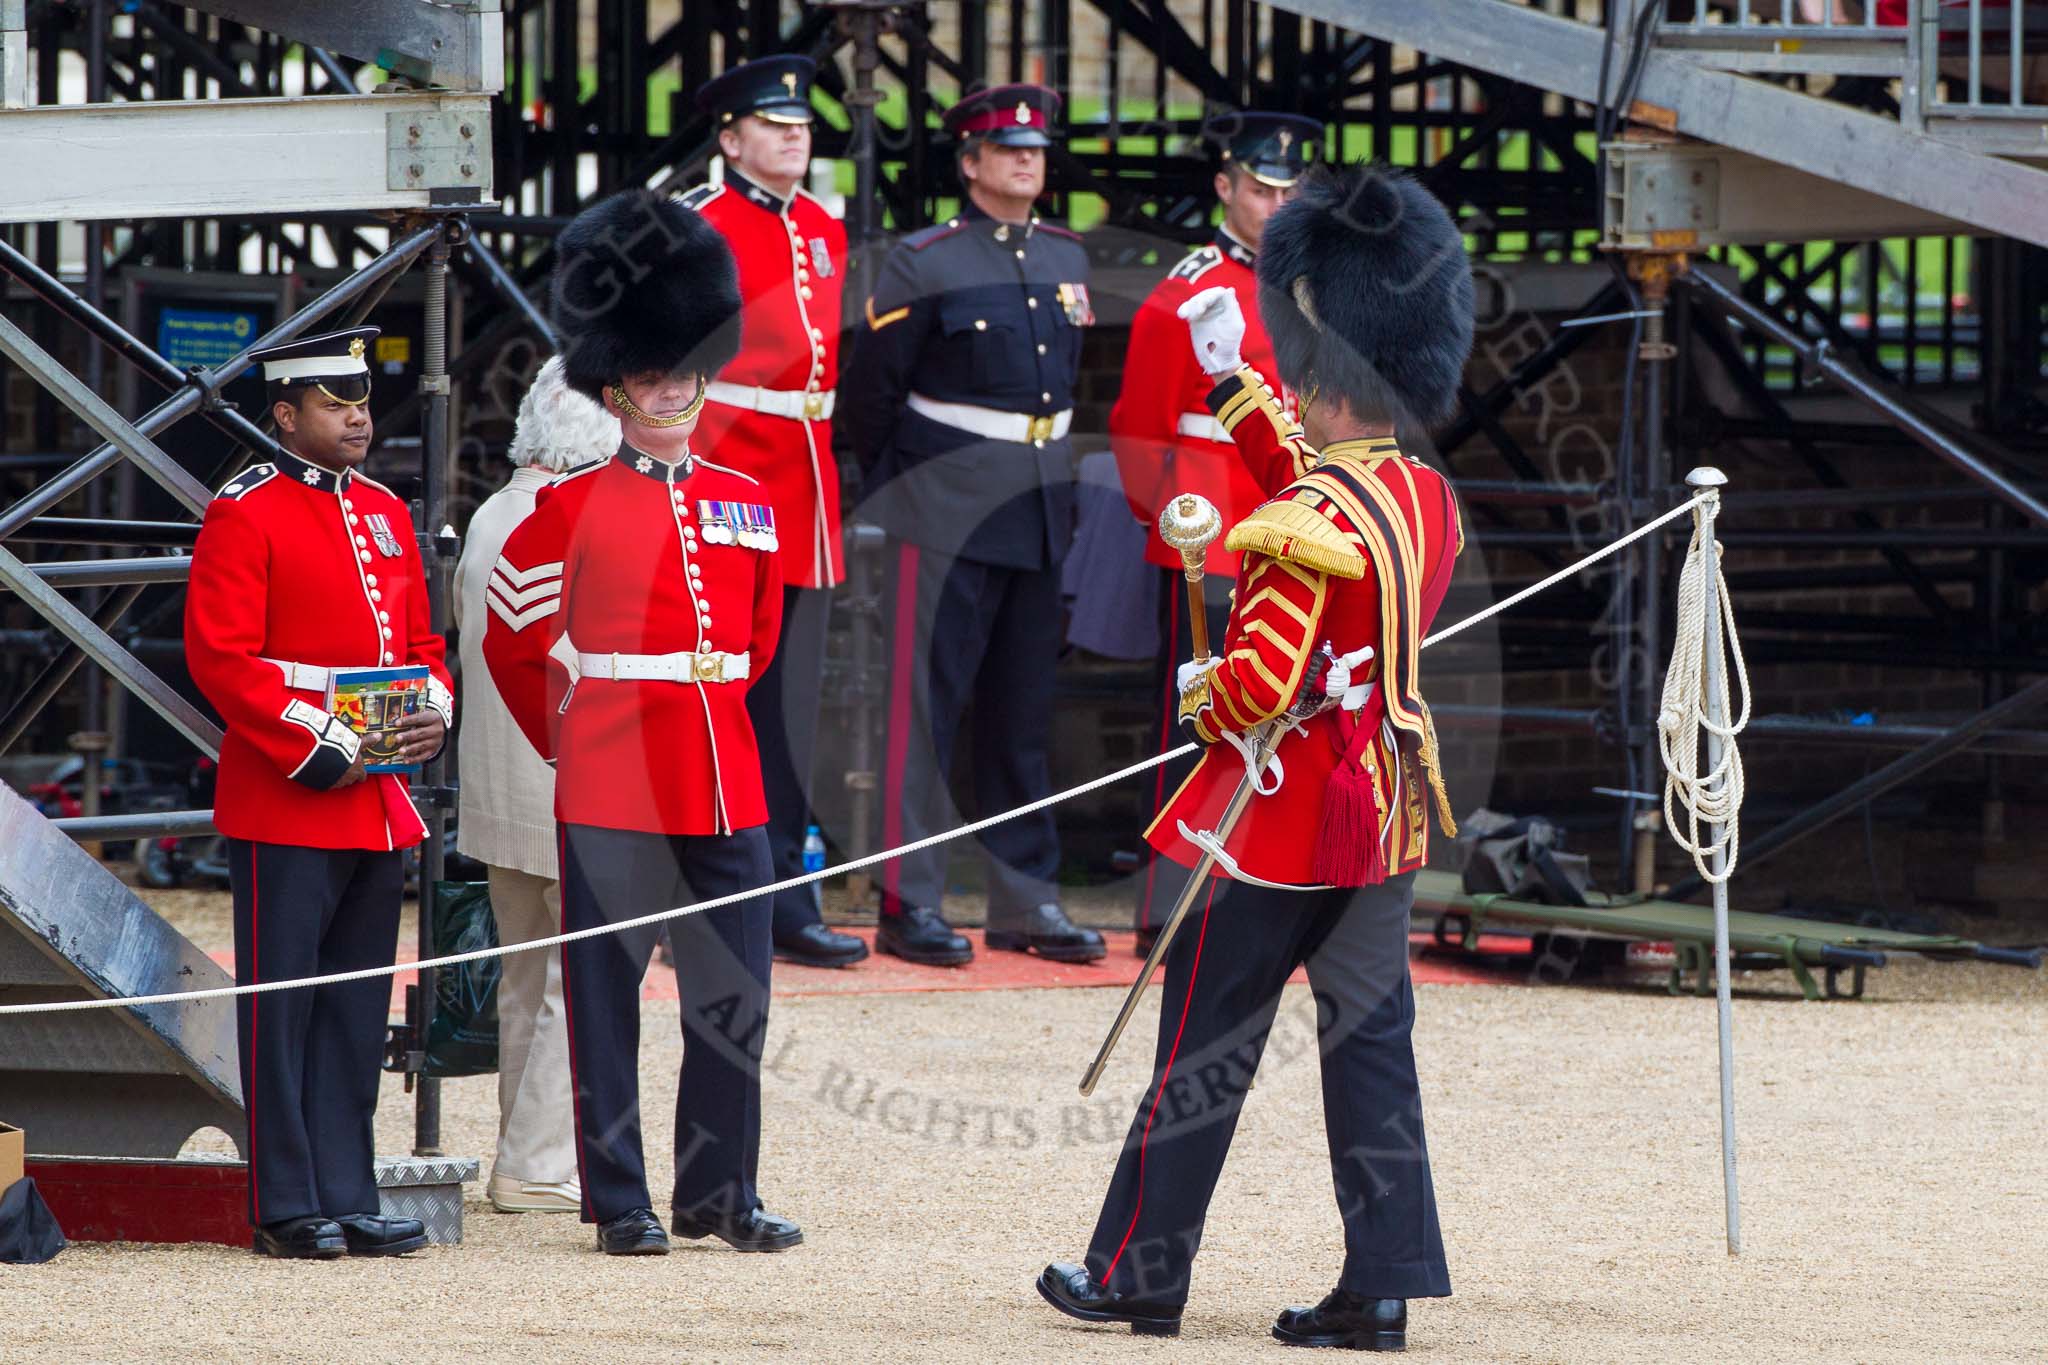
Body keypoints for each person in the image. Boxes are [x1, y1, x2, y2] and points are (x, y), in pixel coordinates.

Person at [1036, 164, 1475, 1350]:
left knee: (1199, 1049)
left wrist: (1197, 688)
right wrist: (1235, 383)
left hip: (1278, 818)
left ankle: (1137, 1273)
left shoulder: (1291, 531)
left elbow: (1257, 686)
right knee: (1370, 1050)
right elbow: (1323, 493)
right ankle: (1379, 1286)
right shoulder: (1418, 498)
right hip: (1380, 810)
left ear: (1324, 387)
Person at [483, 188, 802, 1257]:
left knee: (734, 995)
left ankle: (723, 1194)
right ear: (614, 390)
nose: (671, 390)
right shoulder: (566, 506)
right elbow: (513, 643)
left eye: (683, 372)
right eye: (650, 376)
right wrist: (570, 743)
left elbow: (755, 643)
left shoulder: (747, 497)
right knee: (605, 1002)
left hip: (725, 768)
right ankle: (618, 1197)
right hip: (614, 772)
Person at [184, 325, 451, 1260]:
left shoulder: (382, 507)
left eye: (364, 403)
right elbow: (221, 656)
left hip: (373, 791)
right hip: (289, 788)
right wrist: (318, 738)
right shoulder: (245, 509)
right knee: (285, 1008)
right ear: (286, 414)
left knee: (349, 1010)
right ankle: (285, 1201)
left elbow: (419, 642)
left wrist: (435, 710)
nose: (359, 418)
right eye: (337, 405)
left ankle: (347, 1185)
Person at [839, 83, 1105, 967]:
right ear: (970, 163)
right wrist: (892, 491)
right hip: (944, 506)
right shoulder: (925, 260)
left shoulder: (1067, 255)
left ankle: (1025, 899)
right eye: (1007, 148)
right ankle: (907, 898)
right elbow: (872, 391)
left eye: (1036, 146)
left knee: (1021, 716)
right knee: (923, 712)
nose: (1028, 158)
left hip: (1037, 504)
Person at [1108, 111, 1322, 955]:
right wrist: (1171, 524)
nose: (1276, 204)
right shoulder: (1190, 286)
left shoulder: (1312, 280)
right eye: (1262, 189)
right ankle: (1169, 896)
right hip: (1217, 527)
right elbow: (1137, 427)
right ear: (1225, 187)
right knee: (1198, 712)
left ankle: (1252, 879)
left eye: (1290, 191)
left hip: (1295, 524)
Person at [682, 54, 866, 970]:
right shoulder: (703, 228)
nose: (795, 133)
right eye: (773, 121)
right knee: (717, 695)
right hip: (726, 479)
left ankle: (784, 895)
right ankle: (698, 896)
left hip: (807, 488)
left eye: (801, 124)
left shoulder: (824, 228)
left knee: (790, 708)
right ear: (731, 137)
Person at [453, 356, 616, 1214]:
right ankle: (535, 1159)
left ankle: (525, 1144)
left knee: (529, 981)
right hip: (560, 780)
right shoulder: (570, 521)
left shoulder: (489, 514)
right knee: (573, 984)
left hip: (497, 787)